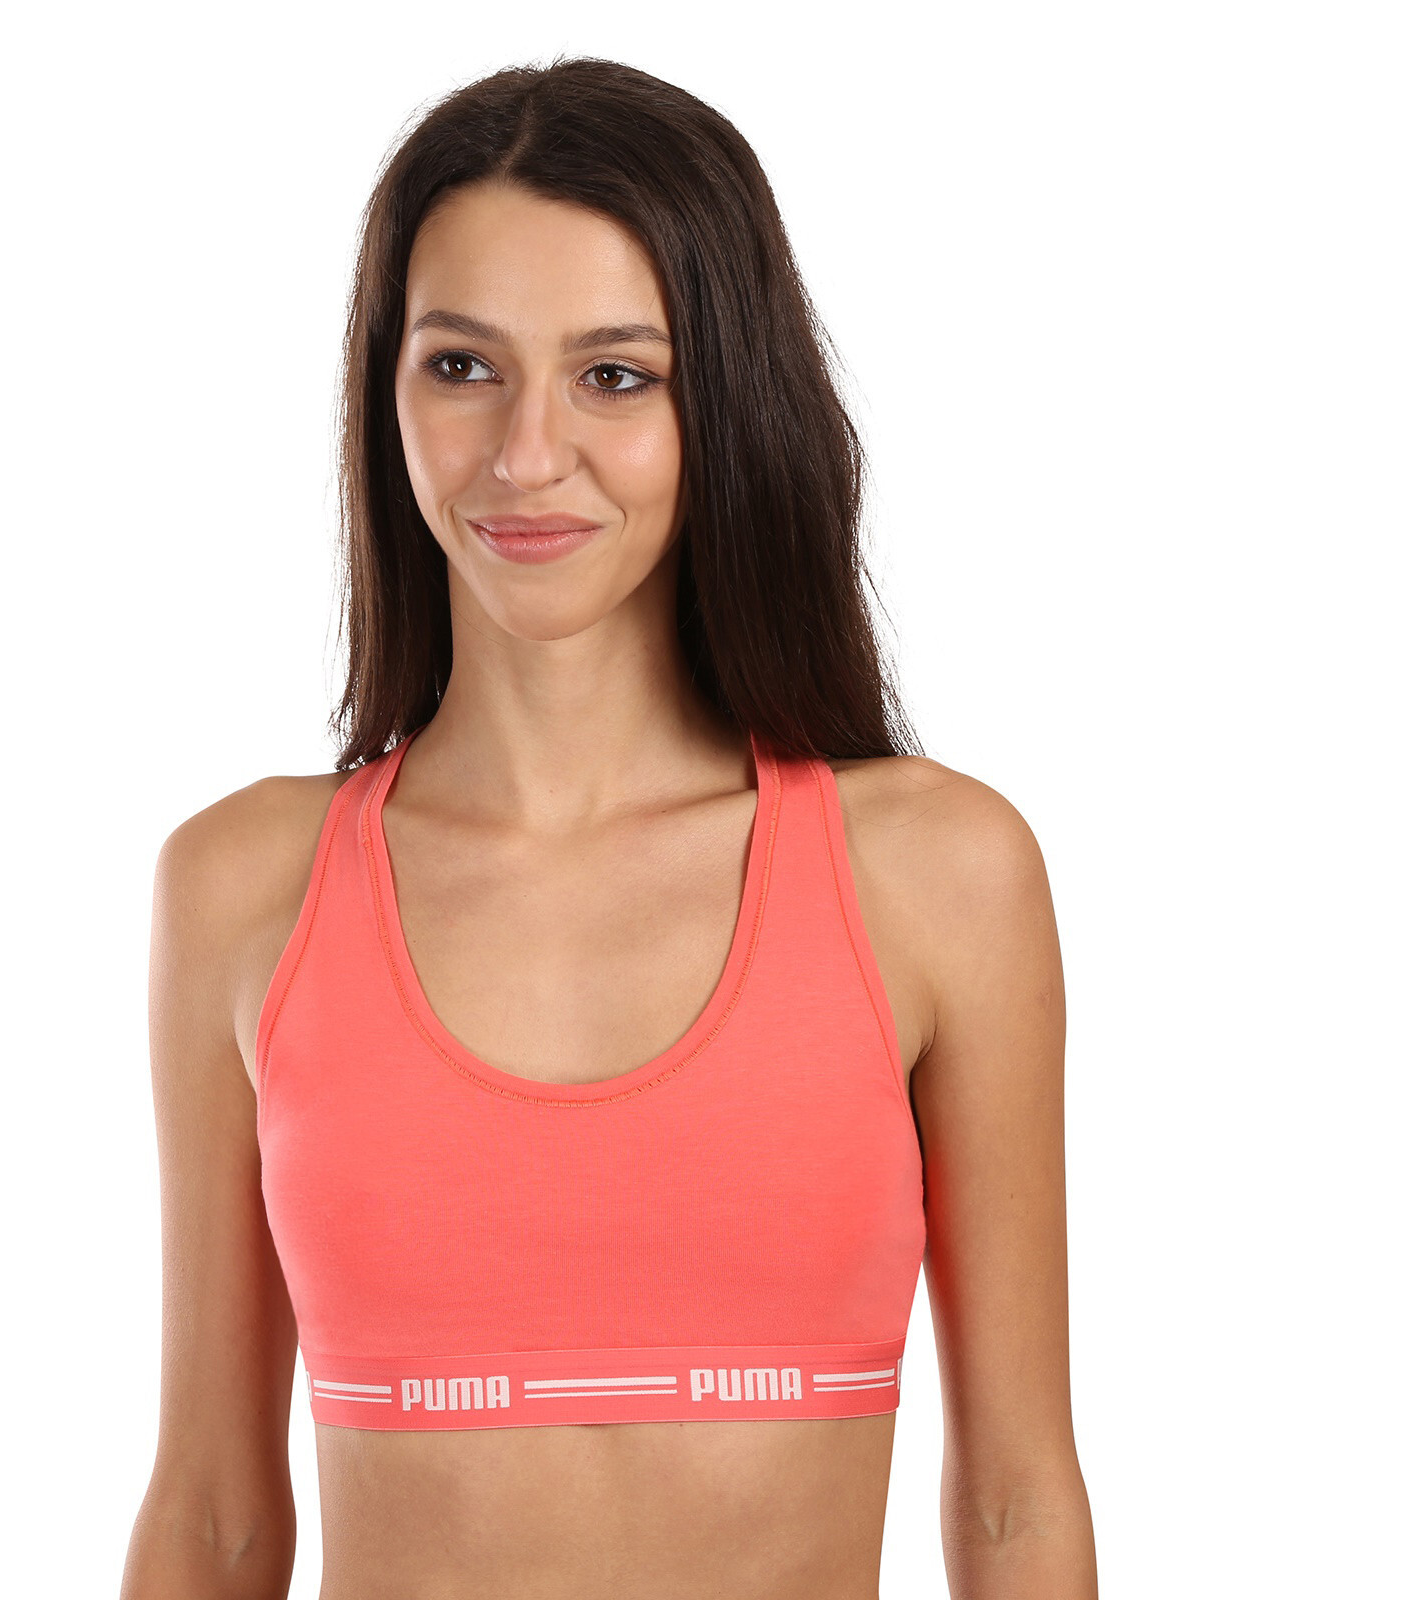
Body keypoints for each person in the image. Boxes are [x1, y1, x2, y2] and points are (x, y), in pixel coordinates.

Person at [120, 55, 1097, 1600]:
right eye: (462, 366)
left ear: (728, 397)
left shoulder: (937, 876)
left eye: (615, 376)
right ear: (385, 393)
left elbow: (1015, 1510)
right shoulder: (244, 889)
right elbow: (215, 1517)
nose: (524, 455)